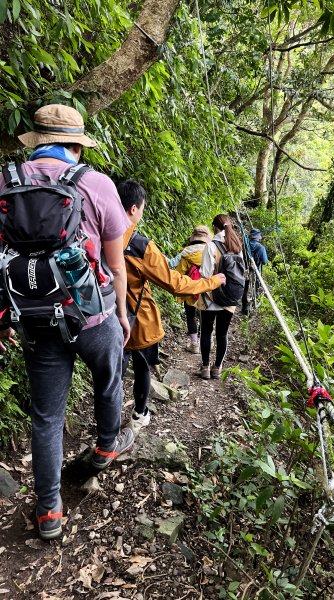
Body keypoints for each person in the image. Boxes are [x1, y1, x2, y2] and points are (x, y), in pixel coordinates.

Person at [0, 104, 134, 540]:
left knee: (45, 416)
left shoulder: (5, 181)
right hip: (92, 316)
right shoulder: (96, 184)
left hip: (35, 319)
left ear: (36, 142)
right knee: (109, 379)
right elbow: (116, 266)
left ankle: (49, 513)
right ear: (77, 145)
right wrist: (123, 313)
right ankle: (106, 446)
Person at [117, 181, 226, 431]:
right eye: (142, 208)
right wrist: (210, 282)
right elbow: (174, 282)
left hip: (104, 316)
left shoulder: (97, 232)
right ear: (134, 208)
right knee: (142, 368)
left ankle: (108, 424)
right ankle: (139, 414)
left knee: (115, 372)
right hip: (137, 320)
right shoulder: (139, 245)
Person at [197, 214, 242, 380]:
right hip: (229, 297)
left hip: (211, 296)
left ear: (214, 227)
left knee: (207, 332)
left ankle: (205, 368)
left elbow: (206, 273)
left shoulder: (210, 246)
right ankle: (217, 369)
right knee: (222, 334)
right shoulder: (237, 246)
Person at [172, 226, 213, 354]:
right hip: (207, 290)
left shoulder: (186, 253)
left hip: (190, 290)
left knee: (190, 316)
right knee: (205, 317)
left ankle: (194, 344)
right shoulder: (212, 252)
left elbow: (179, 273)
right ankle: (207, 342)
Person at [242, 228, 268, 315]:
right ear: (258, 237)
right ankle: (251, 309)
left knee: (245, 289)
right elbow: (264, 261)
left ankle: (244, 308)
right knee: (254, 289)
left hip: (245, 271)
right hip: (256, 272)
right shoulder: (261, 248)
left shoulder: (244, 246)